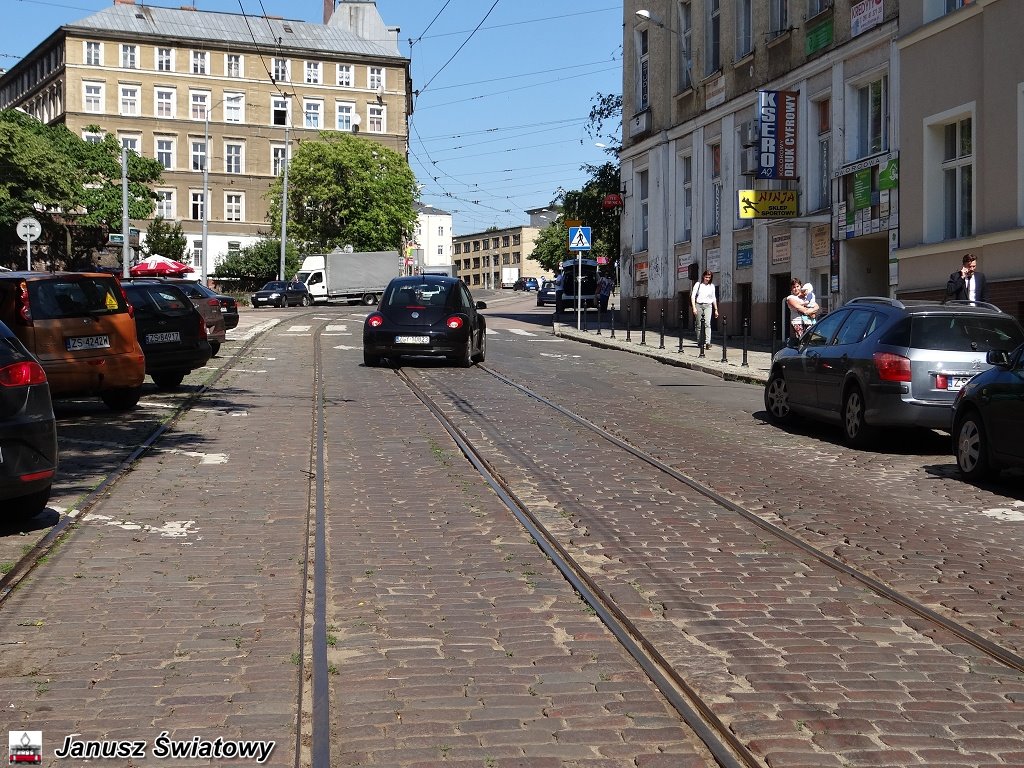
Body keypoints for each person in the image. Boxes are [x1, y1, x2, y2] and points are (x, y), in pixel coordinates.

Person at [690, 270, 718, 349]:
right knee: (699, 325)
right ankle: (700, 341)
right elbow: (693, 296)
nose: (707, 279)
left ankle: (708, 342)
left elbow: (713, 298)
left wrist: (716, 309)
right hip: (699, 305)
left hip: (708, 305)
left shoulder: (711, 286)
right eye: (706, 277)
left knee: (707, 324)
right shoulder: (698, 284)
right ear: (703, 276)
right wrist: (694, 308)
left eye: (709, 277)